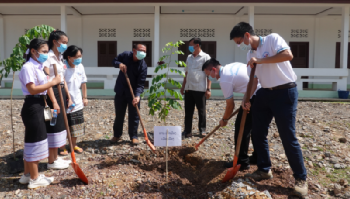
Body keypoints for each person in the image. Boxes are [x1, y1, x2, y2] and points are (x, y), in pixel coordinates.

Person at [230, 22, 308, 197]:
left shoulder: (273, 39)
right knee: (257, 132)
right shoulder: (250, 53)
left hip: (285, 91)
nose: (239, 46)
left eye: (239, 41)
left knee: (287, 136)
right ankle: (264, 169)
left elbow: (288, 55)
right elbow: (254, 79)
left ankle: (301, 178)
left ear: (247, 36)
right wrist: (246, 99)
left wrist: (261, 60)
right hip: (264, 93)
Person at [202, 58, 260, 171]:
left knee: (241, 128)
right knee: (255, 128)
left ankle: (242, 161)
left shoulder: (225, 79)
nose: (210, 77)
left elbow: (230, 105)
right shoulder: (231, 65)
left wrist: (224, 119)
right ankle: (258, 157)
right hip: (260, 92)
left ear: (214, 69)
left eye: (209, 74)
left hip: (255, 95)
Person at [18, 38, 60, 188]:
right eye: (43, 52)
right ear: (33, 51)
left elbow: (43, 86)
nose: (45, 54)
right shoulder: (28, 67)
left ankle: (27, 175)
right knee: (34, 141)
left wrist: (53, 101)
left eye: (47, 51)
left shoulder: (39, 66)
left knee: (33, 139)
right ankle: (35, 179)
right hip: (32, 104)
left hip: (40, 103)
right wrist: (53, 82)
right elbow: (32, 89)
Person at [43, 30, 72, 169]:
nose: (65, 45)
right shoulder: (48, 57)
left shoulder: (59, 57)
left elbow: (62, 78)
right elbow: (47, 81)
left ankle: (55, 158)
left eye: (67, 43)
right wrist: (54, 101)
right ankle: (50, 161)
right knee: (53, 125)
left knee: (60, 125)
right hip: (52, 93)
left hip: (61, 92)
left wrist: (69, 96)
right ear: (55, 42)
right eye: (63, 42)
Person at [110, 43, 148, 145]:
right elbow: (114, 61)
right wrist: (119, 64)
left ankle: (133, 136)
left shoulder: (143, 65)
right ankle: (117, 135)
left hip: (133, 93)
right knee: (119, 115)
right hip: (121, 91)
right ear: (134, 50)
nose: (143, 53)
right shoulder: (125, 55)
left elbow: (141, 83)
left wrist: (137, 96)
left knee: (134, 115)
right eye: (141, 50)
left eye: (145, 51)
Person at [180, 37, 211, 139]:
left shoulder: (206, 57)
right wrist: (183, 86)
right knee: (188, 111)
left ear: (197, 45)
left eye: (191, 45)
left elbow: (209, 74)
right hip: (189, 88)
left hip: (200, 88)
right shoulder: (189, 57)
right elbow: (186, 73)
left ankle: (202, 130)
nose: (189, 47)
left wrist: (208, 89)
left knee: (201, 111)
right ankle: (187, 131)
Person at [63, 45, 88, 154]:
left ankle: (73, 145)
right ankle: (61, 147)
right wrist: (68, 99)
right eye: (77, 56)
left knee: (76, 125)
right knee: (63, 125)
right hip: (65, 101)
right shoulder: (63, 67)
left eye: (80, 56)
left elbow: (83, 82)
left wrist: (85, 97)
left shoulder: (80, 66)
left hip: (77, 101)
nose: (79, 58)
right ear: (69, 57)